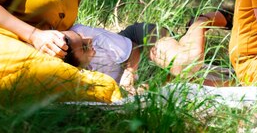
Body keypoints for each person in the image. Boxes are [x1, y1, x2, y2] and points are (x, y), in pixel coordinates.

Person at [70, 10, 231, 92]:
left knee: (185, 64)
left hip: (140, 42)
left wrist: (129, 73)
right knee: (207, 85)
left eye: (82, 37)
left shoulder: (88, 35)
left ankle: (201, 20)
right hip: (142, 74)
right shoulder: (69, 77)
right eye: (84, 46)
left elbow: (132, 48)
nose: (88, 40)